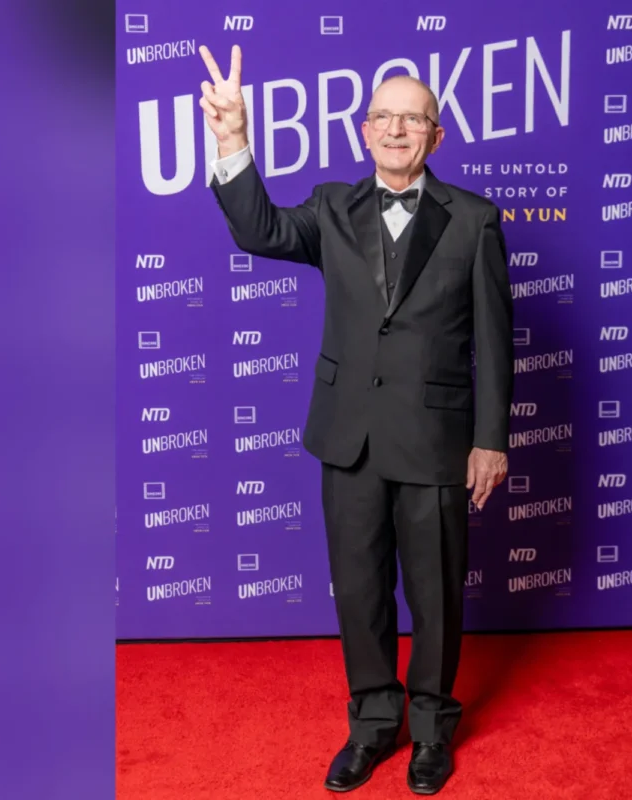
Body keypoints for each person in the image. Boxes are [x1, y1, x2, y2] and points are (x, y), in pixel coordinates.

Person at [198, 44, 514, 796]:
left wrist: (491, 440)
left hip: (436, 441)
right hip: (348, 438)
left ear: (437, 137)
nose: (399, 130)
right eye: (386, 118)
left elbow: (497, 341)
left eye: (415, 119)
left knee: (436, 594)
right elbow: (259, 232)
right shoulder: (331, 208)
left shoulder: (474, 220)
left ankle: (433, 730)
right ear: (363, 131)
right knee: (361, 590)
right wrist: (232, 139)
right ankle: (374, 725)